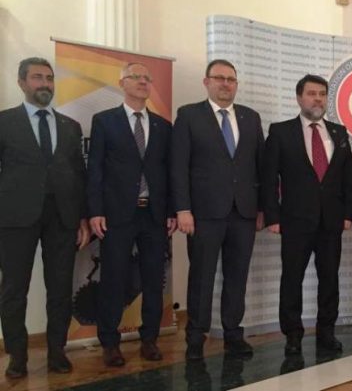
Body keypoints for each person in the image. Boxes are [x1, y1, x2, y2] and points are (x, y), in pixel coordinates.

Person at [0, 57, 90, 378]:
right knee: (13, 290)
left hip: (62, 218)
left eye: (49, 78)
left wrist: (82, 218)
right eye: (37, 77)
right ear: (22, 82)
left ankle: (57, 352)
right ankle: (17, 357)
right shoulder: (4, 122)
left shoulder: (70, 126)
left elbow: (79, 176)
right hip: (15, 219)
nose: (45, 84)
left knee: (60, 288)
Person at [172, 59, 265, 360]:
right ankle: (195, 338)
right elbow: (179, 166)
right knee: (202, 277)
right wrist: (182, 208)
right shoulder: (189, 115)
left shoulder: (250, 117)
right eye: (219, 78)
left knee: (237, 277)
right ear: (207, 82)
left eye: (231, 79)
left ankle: (233, 334)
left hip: (244, 213)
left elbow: (260, 167)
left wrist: (262, 209)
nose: (226, 84)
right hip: (203, 214)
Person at [87, 62, 175, 367]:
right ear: (122, 82)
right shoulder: (104, 121)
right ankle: (110, 343)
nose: (142, 82)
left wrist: (172, 210)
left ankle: (149, 338)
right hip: (117, 214)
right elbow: (95, 169)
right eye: (136, 77)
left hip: (154, 214)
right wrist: (95, 211)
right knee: (113, 279)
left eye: (147, 78)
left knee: (153, 279)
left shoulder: (163, 126)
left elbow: (170, 171)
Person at [261, 74, 352, 355]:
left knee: (330, 280)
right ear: (299, 97)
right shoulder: (280, 131)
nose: (318, 99)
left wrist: (348, 213)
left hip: (331, 221)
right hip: (294, 220)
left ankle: (327, 332)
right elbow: (269, 178)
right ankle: (293, 334)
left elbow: (347, 177)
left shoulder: (339, 132)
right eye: (312, 94)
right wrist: (273, 217)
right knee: (292, 279)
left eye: (322, 94)